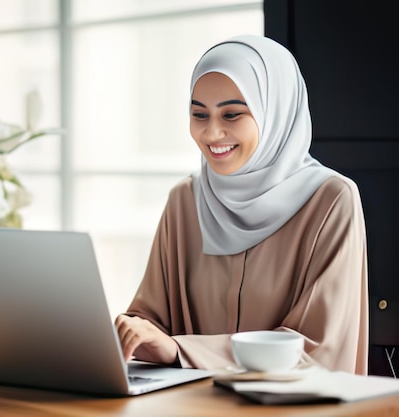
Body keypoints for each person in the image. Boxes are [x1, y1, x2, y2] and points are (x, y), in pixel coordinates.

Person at [114, 34, 368, 375]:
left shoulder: (331, 199)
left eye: (232, 114)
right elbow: (149, 320)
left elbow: (316, 348)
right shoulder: (185, 200)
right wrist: (131, 331)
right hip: (187, 406)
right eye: (199, 115)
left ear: (274, 112)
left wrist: (180, 350)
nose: (211, 133)